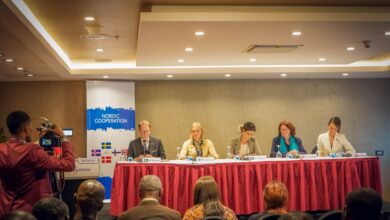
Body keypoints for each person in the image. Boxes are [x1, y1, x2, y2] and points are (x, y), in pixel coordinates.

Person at [0, 111, 75, 216]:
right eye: (30, 127)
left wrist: (37, 143)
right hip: (29, 213)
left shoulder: (2, 149)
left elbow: (18, 152)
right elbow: (68, 164)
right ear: (26, 128)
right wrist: (64, 138)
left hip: (6, 211)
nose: (31, 130)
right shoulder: (32, 151)